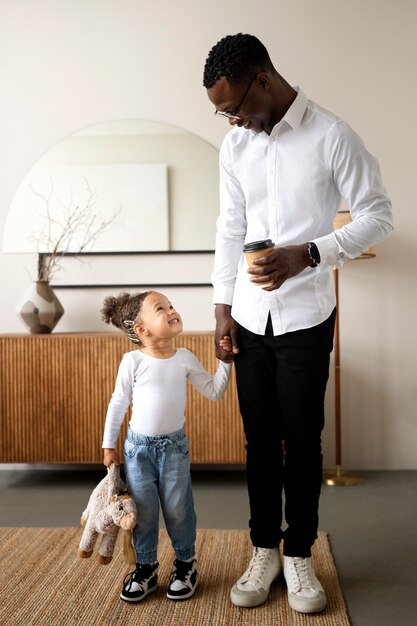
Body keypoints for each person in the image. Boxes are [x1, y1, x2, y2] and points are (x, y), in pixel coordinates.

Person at [203, 33, 393, 614]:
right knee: (258, 440)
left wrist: (308, 253)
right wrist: (222, 307)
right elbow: (228, 229)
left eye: (236, 107)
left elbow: (378, 215)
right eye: (222, 113)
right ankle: (263, 548)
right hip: (251, 317)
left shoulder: (334, 136)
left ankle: (299, 553)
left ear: (263, 81)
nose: (233, 121)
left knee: (302, 440)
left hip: (308, 315)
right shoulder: (235, 148)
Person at [101, 290, 232, 603]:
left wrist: (225, 361)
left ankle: (186, 564)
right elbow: (118, 403)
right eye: (161, 308)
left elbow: (214, 391)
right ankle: (145, 569)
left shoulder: (184, 358)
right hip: (137, 451)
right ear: (142, 329)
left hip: (174, 449)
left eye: (171, 305)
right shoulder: (131, 361)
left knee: (178, 509)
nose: (172, 310)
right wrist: (108, 445)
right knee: (143, 512)